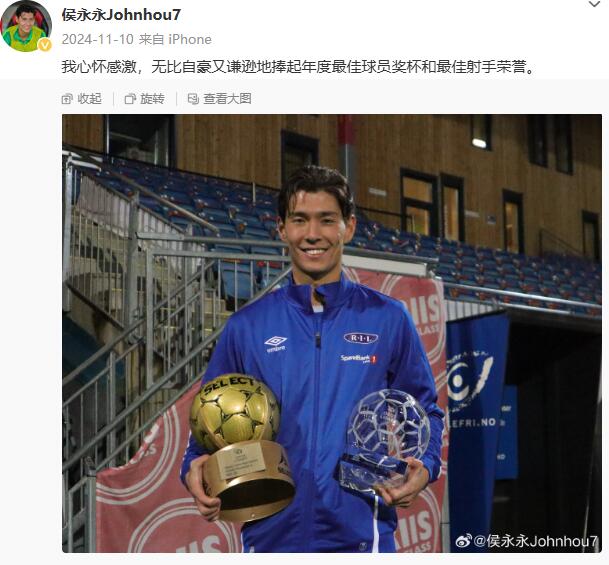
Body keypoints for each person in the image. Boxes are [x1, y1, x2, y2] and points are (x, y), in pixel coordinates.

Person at [180, 165, 444, 552]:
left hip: (362, 536)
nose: (313, 234)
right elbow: (206, 421)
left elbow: (424, 409)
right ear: (282, 229)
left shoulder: (387, 318)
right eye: (300, 220)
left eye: (327, 220)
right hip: (271, 535)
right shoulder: (246, 326)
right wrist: (193, 465)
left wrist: (426, 465)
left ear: (348, 227)